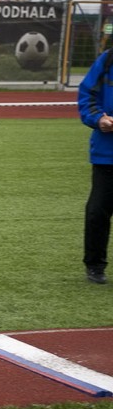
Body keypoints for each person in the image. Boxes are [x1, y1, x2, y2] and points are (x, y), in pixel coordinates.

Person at [77, 49, 113, 285]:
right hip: (107, 153)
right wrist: (99, 118)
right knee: (97, 211)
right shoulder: (108, 60)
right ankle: (95, 265)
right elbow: (87, 95)